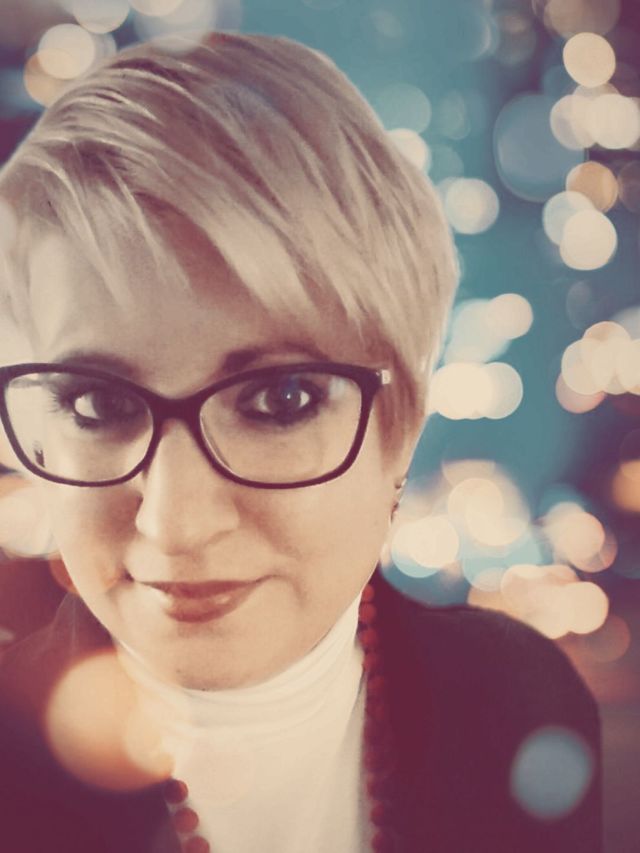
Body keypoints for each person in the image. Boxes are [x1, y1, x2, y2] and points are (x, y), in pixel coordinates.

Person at [0, 32, 600, 853]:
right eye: (98, 403)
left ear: (400, 427)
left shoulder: (525, 700)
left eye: (279, 400)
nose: (177, 523)